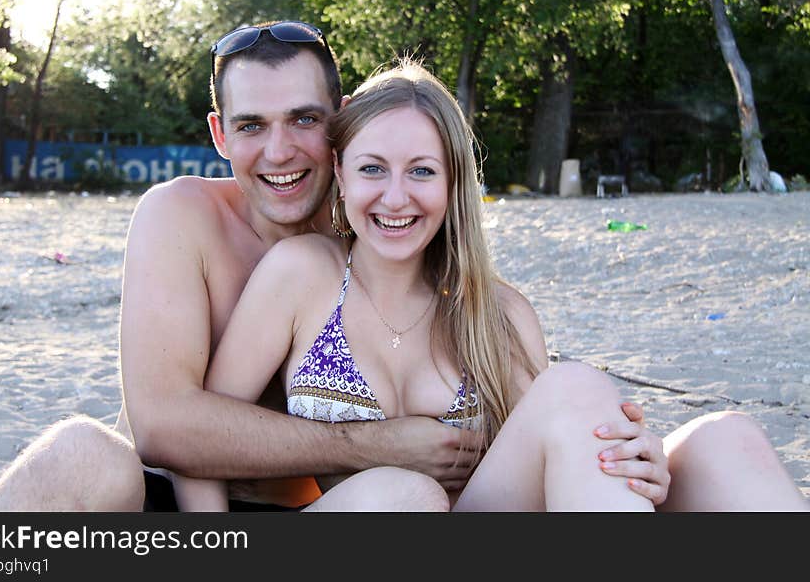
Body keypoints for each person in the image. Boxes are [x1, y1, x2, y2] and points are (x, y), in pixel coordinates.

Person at [0, 21, 790, 512]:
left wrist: (626, 447)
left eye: (304, 121)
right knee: (80, 450)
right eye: (251, 125)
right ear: (220, 133)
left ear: (335, 133)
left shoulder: (423, 260)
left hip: (392, 514)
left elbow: (535, 433)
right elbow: (170, 431)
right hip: (268, 510)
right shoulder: (204, 226)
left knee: (722, 438)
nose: (278, 151)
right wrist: (374, 444)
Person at [175, 58, 809, 511]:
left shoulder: (495, 312)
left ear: (453, 186)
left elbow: (560, 450)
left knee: (726, 436)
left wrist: (633, 460)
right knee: (407, 495)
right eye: (373, 169)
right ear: (340, 173)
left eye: (421, 171)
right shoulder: (303, 275)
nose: (395, 198)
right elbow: (203, 445)